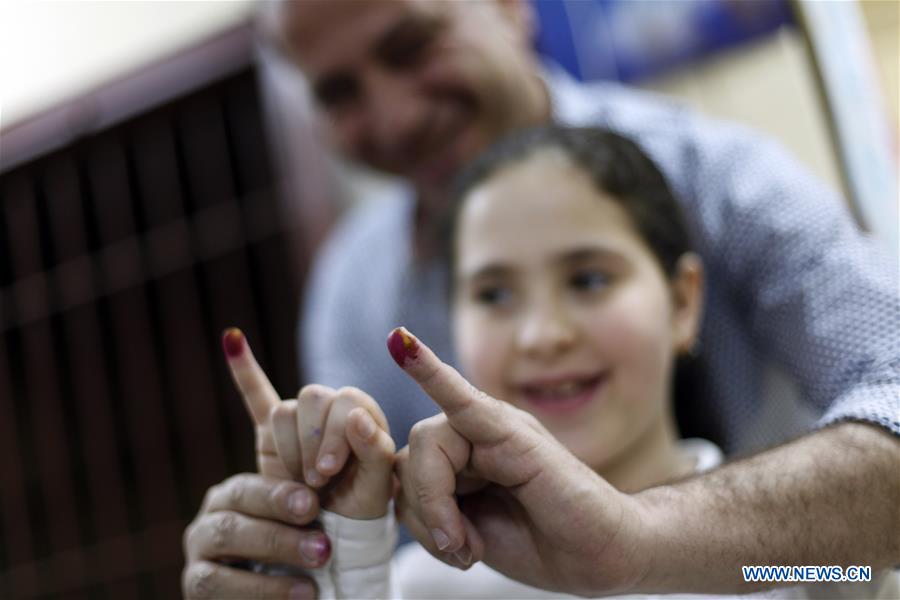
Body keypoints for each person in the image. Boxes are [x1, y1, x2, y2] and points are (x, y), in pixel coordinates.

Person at [182, 1, 900, 597]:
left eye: (589, 278)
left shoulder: (726, 181)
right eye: (492, 294)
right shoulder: (354, 288)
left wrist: (645, 544)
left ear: (685, 299)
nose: (541, 334)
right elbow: (386, 564)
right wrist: (314, 552)